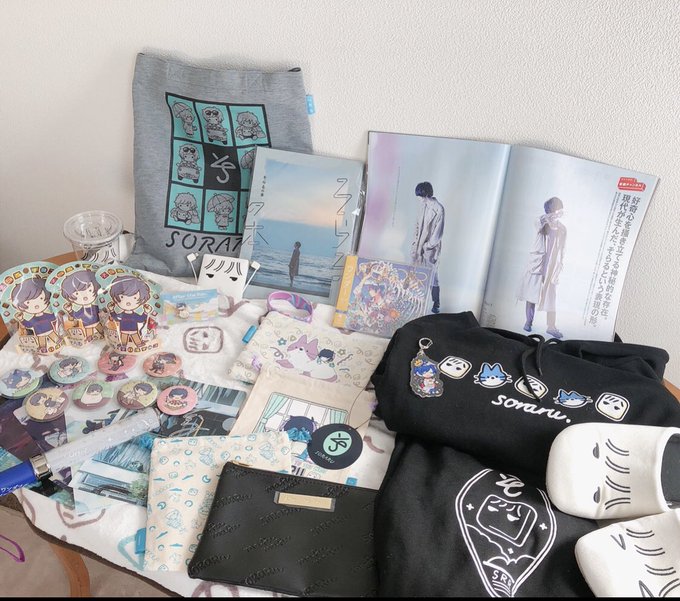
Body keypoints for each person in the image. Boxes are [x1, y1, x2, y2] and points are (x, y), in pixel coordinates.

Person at [516, 196, 567, 339]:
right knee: (532, 295)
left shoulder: (562, 229)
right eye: (556, 208)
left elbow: (563, 249)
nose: (559, 212)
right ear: (550, 210)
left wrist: (560, 265)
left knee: (551, 296)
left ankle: (551, 327)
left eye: (559, 208)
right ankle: (528, 322)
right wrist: (552, 215)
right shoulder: (540, 222)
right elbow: (541, 220)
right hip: (538, 264)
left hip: (552, 266)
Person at [411, 182, 445, 313]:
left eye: (419, 196)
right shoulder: (423, 206)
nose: (418, 198)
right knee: (416, 273)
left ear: (425, 194)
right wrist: (416, 244)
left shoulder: (439, 209)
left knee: (433, 277)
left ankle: (436, 303)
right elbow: (417, 226)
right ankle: (416, 303)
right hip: (418, 247)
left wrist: (428, 246)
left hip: (430, 250)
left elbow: (438, 234)